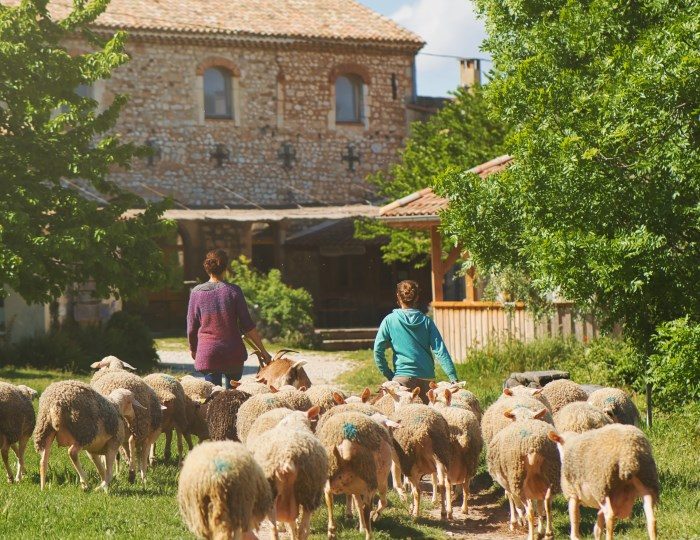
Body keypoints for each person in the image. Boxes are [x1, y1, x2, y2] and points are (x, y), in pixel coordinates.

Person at [187, 249, 271, 389]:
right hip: (233, 353)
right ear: (226, 268)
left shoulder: (196, 293)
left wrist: (193, 348)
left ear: (207, 268)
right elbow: (248, 325)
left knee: (213, 398)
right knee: (233, 399)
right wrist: (263, 351)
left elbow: (191, 326)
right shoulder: (234, 291)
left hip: (209, 354)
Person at [373, 280, 459, 403]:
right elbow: (440, 351)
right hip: (427, 380)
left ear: (398, 296)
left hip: (402, 379)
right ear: (417, 297)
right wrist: (453, 377)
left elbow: (378, 351)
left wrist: (389, 375)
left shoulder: (389, 320)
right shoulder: (426, 321)